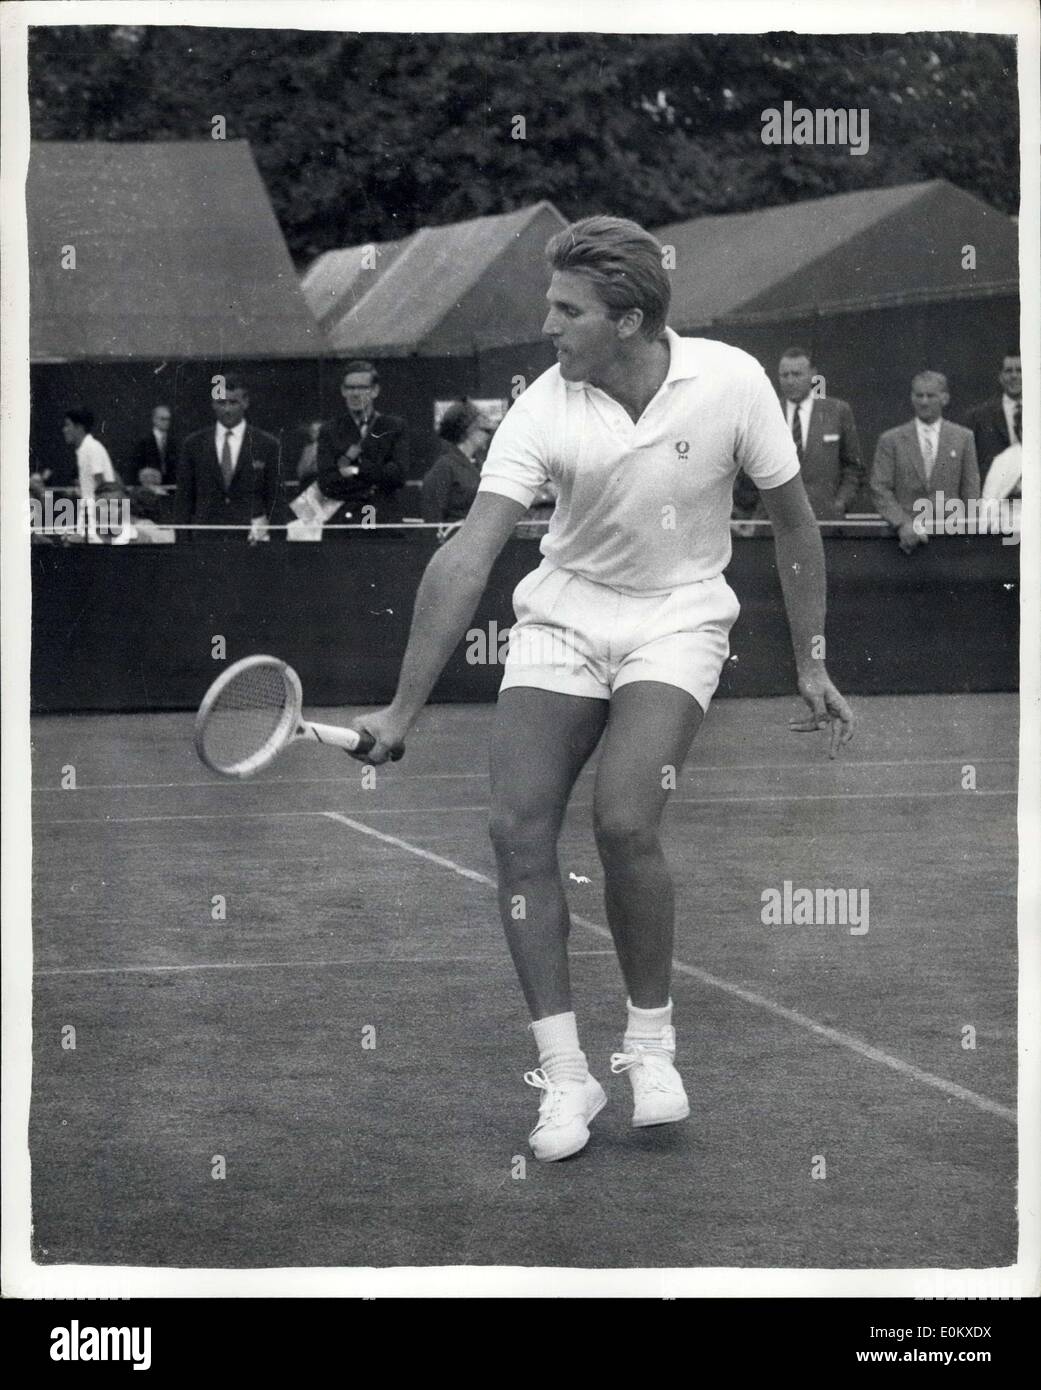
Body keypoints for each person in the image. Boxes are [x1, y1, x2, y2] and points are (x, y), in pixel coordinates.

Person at [346, 216, 854, 1163]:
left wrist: (811, 660)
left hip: (678, 616)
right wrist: (402, 708)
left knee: (625, 819)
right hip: (566, 617)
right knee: (516, 828)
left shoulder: (733, 383)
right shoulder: (542, 407)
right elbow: (469, 554)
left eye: (565, 310)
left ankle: (650, 1052)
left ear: (627, 320)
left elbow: (794, 525)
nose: (547, 326)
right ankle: (565, 1076)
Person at [871, 371, 980, 553]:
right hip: (904, 539)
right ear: (911, 397)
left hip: (951, 538)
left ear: (944, 398)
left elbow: (971, 491)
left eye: (930, 396)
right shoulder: (891, 440)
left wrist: (969, 536)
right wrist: (902, 523)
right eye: (918, 395)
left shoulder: (963, 438)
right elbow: (879, 488)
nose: (924, 401)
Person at [173, 374, 281, 541]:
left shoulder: (267, 444)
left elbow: (276, 498)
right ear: (213, 404)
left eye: (233, 402)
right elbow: (184, 499)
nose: (227, 409)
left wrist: (278, 544)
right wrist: (182, 542)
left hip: (253, 539)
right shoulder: (193, 444)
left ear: (245, 403)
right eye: (221, 403)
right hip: (205, 538)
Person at [315, 362, 409, 527]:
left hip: (383, 521)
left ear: (375, 391)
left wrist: (354, 469)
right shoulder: (330, 430)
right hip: (343, 523)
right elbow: (327, 483)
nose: (355, 394)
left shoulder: (393, 427)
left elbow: (398, 476)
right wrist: (375, 478)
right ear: (343, 391)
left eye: (362, 388)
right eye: (350, 388)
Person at [774, 348, 864, 518]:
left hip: (825, 519)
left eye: (797, 374)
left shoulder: (837, 411)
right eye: (784, 375)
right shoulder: (768, 413)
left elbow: (854, 467)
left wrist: (840, 504)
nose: (790, 381)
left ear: (812, 375)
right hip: (778, 521)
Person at [420, 401, 493, 523]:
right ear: (469, 430)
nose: (489, 436)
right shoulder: (444, 466)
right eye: (486, 430)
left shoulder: (479, 464)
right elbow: (432, 517)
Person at [963, 351, 1022, 486]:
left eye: (1020, 370)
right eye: (1008, 371)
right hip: (994, 498)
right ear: (1000, 376)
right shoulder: (979, 417)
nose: (1014, 376)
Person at [61, 407, 117, 542]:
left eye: (68, 425)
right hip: (91, 515)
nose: (64, 429)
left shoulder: (91, 448)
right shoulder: (84, 449)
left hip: (101, 515)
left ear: (79, 427)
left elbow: (101, 485)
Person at [129, 405, 177, 483]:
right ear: (154, 419)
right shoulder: (142, 442)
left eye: (168, 419)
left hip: (171, 485)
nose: (166, 422)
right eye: (163, 419)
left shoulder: (174, 442)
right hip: (149, 485)